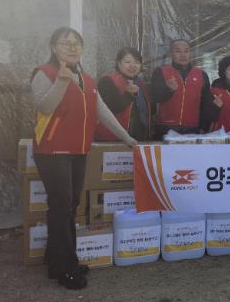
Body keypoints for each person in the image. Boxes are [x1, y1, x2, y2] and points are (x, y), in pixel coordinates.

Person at [31, 27, 136, 290]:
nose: (72, 47)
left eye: (77, 43)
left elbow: (103, 112)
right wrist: (61, 82)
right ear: (53, 47)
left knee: (68, 206)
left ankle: (55, 261)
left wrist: (127, 139)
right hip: (52, 152)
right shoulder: (44, 73)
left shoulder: (87, 79)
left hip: (78, 151)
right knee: (62, 207)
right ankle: (67, 268)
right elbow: (44, 106)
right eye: (65, 43)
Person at [150, 39, 216, 139]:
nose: (183, 55)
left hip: (192, 128)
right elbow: (155, 98)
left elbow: (205, 103)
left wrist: (203, 127)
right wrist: (170, 90)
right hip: (166, 127)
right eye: (178, 51)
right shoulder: (161, 71)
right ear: (171, 54)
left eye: (186, 51)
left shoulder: (201, 74)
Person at [95, 47, 152, 141]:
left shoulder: (140, 84)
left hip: (138, 138)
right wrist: (129, 94)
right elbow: (113, 108)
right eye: (128, 62)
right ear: (118, 63)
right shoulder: (106, 81)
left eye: (137, 62)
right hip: (113, 139)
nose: (133, 66)